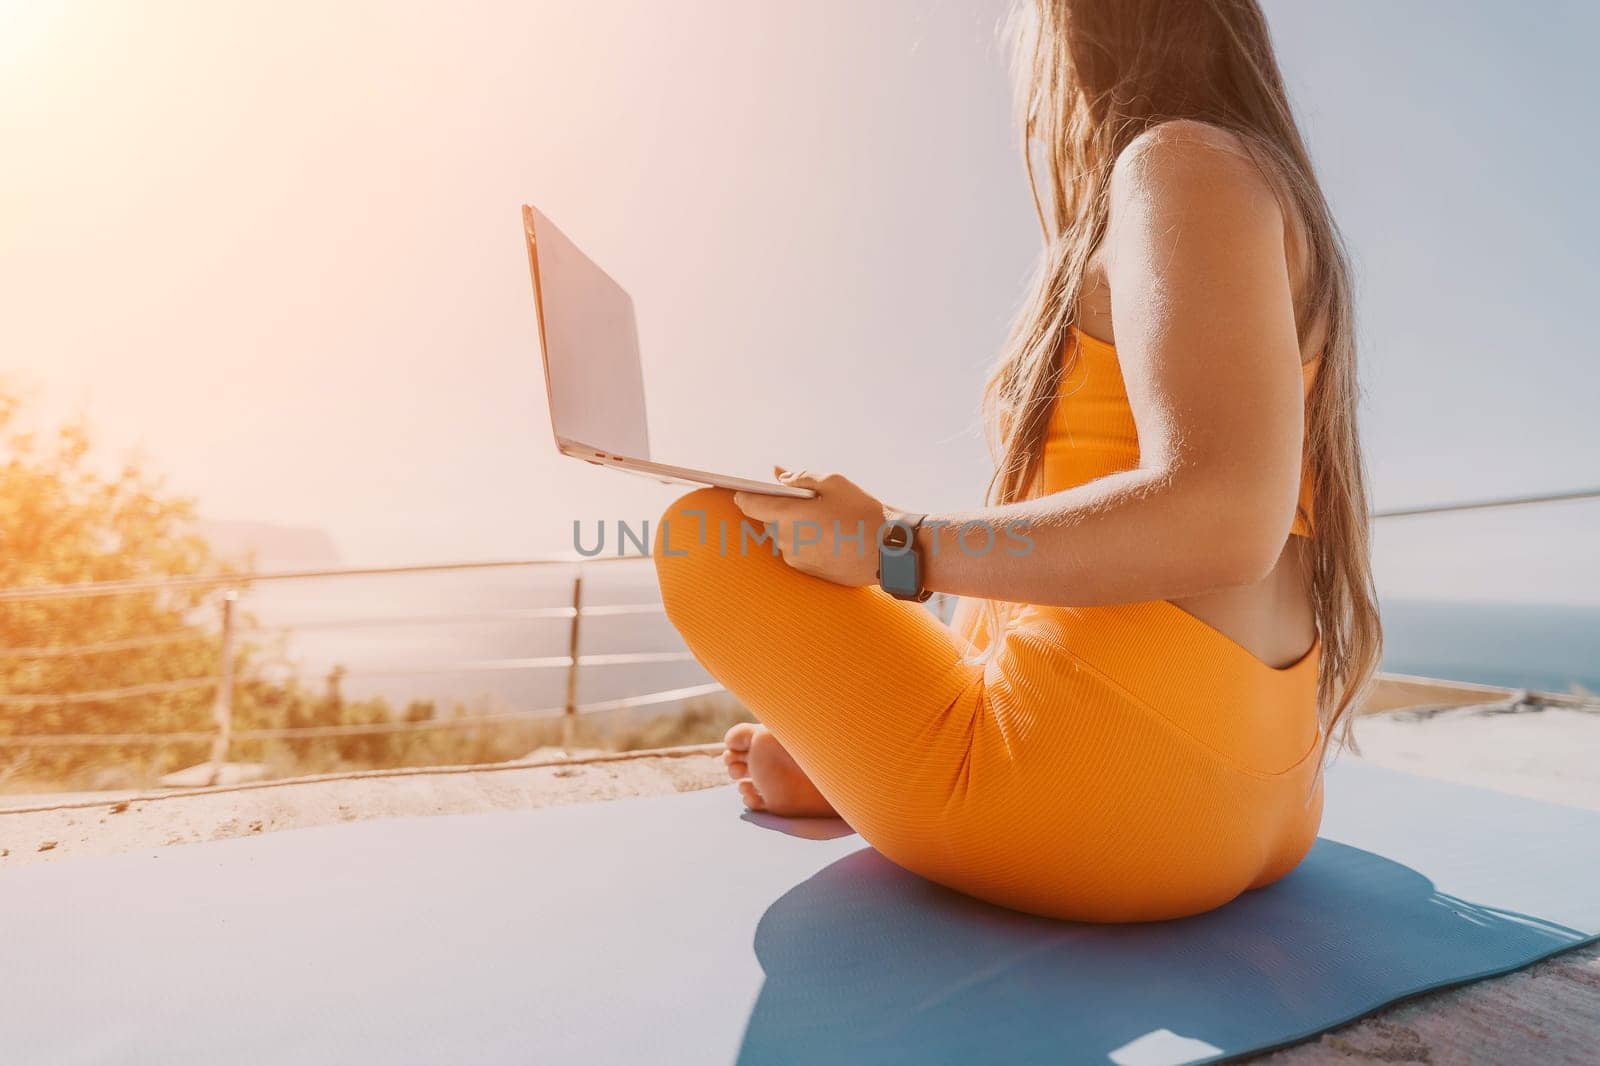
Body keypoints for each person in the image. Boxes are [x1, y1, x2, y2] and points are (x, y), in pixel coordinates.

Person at [653, 0, 1381, 922]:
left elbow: (1225, 514)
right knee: (1019, 537)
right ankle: (864, 768)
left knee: (709, 534)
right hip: (1272, 789)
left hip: (1115, 804)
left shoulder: (1179, 163)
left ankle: (907, 778)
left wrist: (892, 548)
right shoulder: (1246, 181)